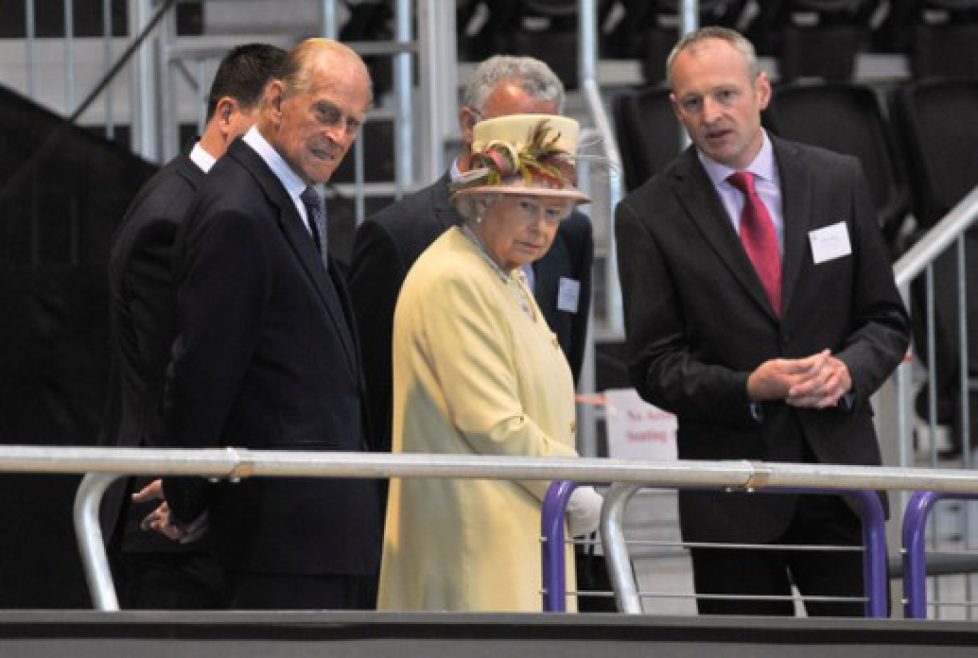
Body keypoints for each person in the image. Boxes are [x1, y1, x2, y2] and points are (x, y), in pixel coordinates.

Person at [614, 27, 910, 617]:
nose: (712, 114)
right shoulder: (647, 215)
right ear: (676, 109)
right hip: (731, 498)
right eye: (693, 102)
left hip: (839, 482)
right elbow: (655, 367)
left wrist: (849, 372)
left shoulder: (838, 180)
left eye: (726, 95)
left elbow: (886, 321)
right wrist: (750, 386)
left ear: (762, 92)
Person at [158, 38, 380, 610]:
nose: (338, 137)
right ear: (277, 99)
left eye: (353, 125)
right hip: (280, 540)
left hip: (313, 533)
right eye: (326, 114)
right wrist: (188, 495)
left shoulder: (284, 199)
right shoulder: (238, 208)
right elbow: (203, 372)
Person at [377, 114, 603, 612]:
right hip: (476, 547)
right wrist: (572, 482)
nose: (541, 228)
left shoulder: (502, 272)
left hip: (513, 532)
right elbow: (492, 422)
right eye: (526, 205)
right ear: (480, 201)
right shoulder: (456, 276)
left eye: (552, 213)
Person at [101, 43, 286, 609]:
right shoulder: (177, 214)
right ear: (226, 114)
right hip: (167, 524)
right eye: (267, 135)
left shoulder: (207, 201)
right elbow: (176, 379)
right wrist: (192, 496)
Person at [348, 55, 593, 456]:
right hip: (449, 484)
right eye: (516, 137)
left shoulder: (570, 231)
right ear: (469, 125)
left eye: (543, 140)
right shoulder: (400, 237)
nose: (532, 158)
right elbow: (374, 389)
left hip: (540, 480)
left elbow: (564, 353)